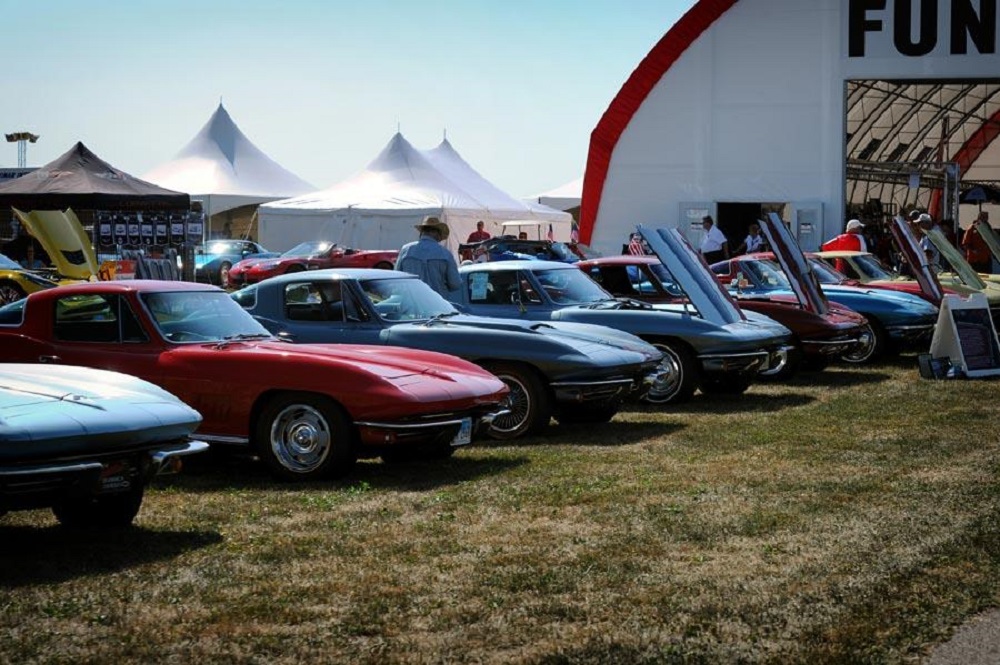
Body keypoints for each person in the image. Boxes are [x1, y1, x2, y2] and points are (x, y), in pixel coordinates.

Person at [395, 216, 461, 298]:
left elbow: (396, 278)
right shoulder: (445, 254)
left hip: (410, 303)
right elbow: (455, 284)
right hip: (436, 304)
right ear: (436, 233)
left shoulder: (406, 250)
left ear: (422, 232)